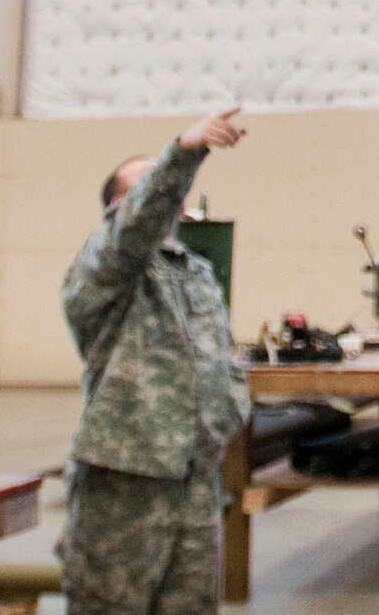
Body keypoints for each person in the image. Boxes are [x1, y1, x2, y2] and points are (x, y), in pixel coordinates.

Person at [59, 106, 251, 615]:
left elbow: (220, 356)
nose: (172, 192)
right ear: (121, 204)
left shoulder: (196, 272)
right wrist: (185, 151)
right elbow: (137, 225)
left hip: (194, 475)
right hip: (126, 479)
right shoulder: (105, 265)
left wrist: (228, 412)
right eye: (152, 184)